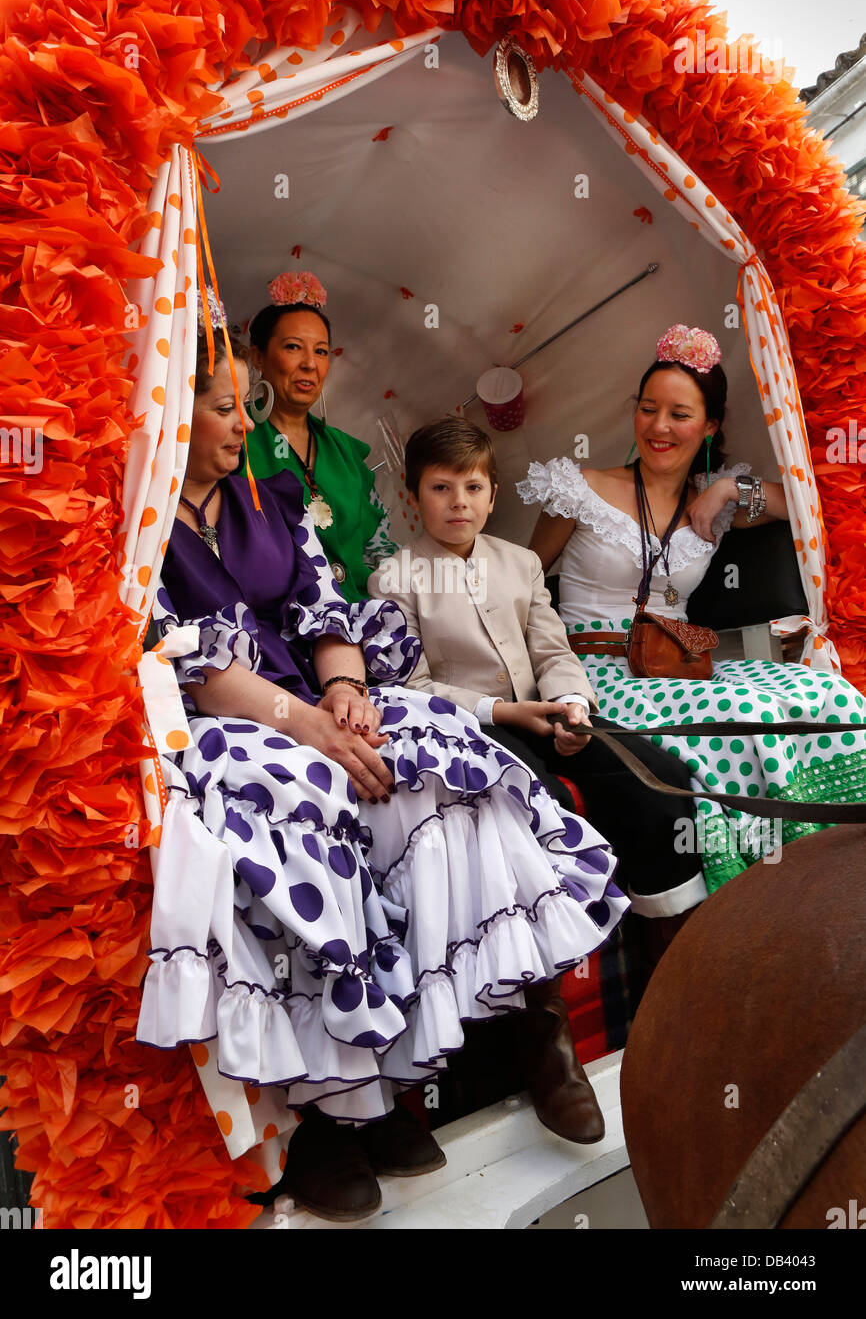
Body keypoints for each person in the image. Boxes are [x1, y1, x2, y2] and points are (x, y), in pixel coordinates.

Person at [141, 310, 629, 1223]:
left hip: (314, 701)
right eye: (221, 408)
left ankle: (520, 1032)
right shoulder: (139, 528)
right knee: (310, 812)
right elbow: (191, 667)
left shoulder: (268, 498)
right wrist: (305, 726)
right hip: (225, 722)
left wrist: (346, 692)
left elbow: (325, 605)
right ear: (168, 411)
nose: (243, 424)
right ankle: (336, 1115)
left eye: (247, 406)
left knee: (445, 762)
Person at [517, 323, 866, 896]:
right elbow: (523, 580)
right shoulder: (579, 487)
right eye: (648, 408)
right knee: (745, 710)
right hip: (595, 670)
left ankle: (830, 870)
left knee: (825, 694)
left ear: (709, 426)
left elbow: (810, 503)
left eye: (680, 414)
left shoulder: (714, 498)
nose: (659, 426)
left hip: (673, 663)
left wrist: (727, 491)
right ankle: (757, 888)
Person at [367, 416, 706, 966]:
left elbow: (552, 651)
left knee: (658, 775)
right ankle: (569, 942)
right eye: (440, 488)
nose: (459, 503)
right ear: (413, 497)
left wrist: (572, 706)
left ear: (493, 494)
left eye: (473, 487)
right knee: (539, 797)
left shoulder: (520, 563)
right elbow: (413, 685)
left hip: (548, 711)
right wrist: (503, 711)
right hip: (471, 728)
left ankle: (667, 934)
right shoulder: (395, 578)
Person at [239, 270, 396, 602]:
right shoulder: (234, 438)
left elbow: (378, 545)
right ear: (258, 357)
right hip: (276, 621)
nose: (310, 364)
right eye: (293, 347)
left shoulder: (345, 450)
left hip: (361, 612)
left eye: (321, 351)